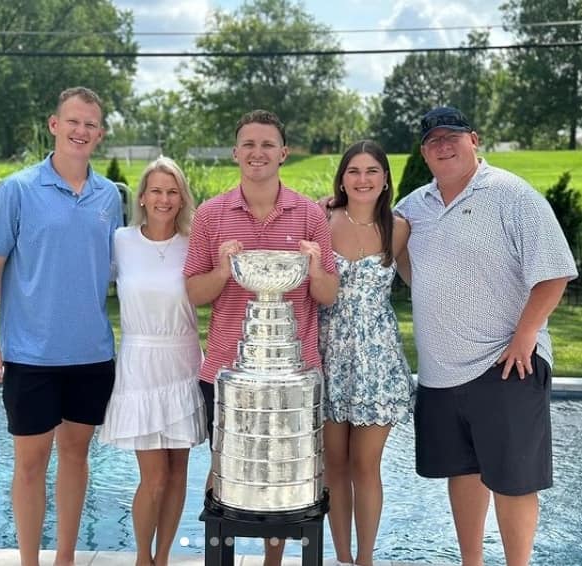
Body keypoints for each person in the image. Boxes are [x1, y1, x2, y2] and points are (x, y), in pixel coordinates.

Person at [395, 106, 578, 566]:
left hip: (506, 361)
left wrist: (525, 336)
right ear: (423, 151)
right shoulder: (413, 207)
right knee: (463, 472)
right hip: (440, 373)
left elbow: (555, 272)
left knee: (515, 480)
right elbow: (377, 235)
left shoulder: (512, 195)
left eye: (452, 135)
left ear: (473, 139)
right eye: (433, 139)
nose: (443, 144)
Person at [0, 86, 123, 566]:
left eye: (90, 125)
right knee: (31, 463)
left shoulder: (110, 198)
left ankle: (66, 558)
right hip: (30, 355)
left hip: (91, 355)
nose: (81, 131)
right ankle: (30, 561)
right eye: (73, 121)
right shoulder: (17, 190)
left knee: (77, 459)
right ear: (54, 125)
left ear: (99, 135)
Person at [183, 109, 339, 566]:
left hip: (294, 372)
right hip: (227, 370)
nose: (258, 153)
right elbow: (194, 292)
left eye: (267, 144)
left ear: (283, 153)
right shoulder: (211, 215)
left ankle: (274, 562)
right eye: (249, 144)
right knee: (226, 469)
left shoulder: (310, 215)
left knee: (283, 476)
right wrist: (222, 268)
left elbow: (328, 294)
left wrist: (312, 267)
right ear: (236, 153)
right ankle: (221, 556)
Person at [99, 157, 207, 566]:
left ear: (182, 198)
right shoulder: (121, 241)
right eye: (156, 190)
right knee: (154, 476)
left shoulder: (194, 243)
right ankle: (143, 557)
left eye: (172, 190)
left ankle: (163, 557)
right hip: (140, 364)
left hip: (183, 361)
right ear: (142, 196)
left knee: (178, 471)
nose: (164, 198)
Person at [318, 140, 414, 566]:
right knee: (333, 465)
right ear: (342, 178)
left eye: (372, 170)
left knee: (365, 465)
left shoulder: (401, 228)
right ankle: (341, 557)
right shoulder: (321, 219)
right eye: (353, 171)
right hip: (328, 352)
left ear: (385, 178)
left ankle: (365, 559)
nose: (362, 179)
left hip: (377, 358)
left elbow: (422, 282)